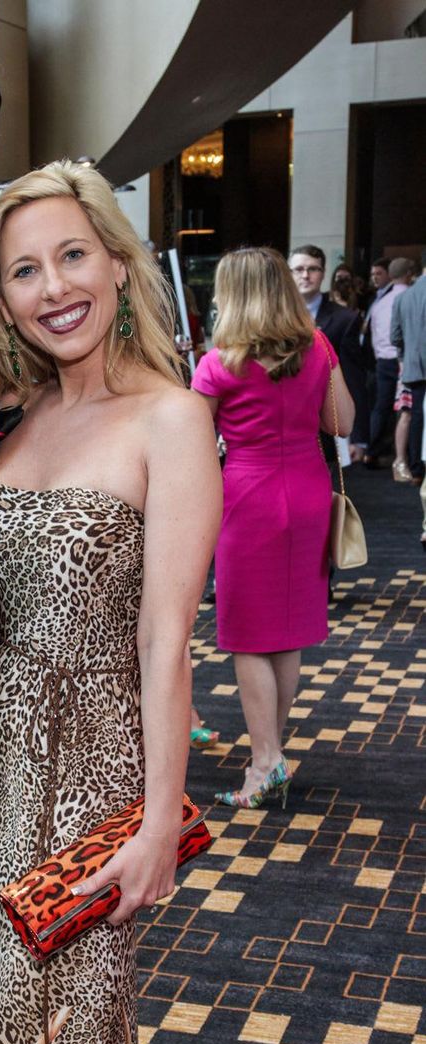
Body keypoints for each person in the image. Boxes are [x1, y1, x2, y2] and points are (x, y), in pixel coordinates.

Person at [0, 161, 221, 1044]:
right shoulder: (10, 421)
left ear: (118, 263)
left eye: (71, 255)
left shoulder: (171, 416)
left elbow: (167, 637)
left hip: (90, 782)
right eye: (22, 269)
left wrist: (158, 820)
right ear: (1, 299)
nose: (51, 285)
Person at [192, 249, 355, 808]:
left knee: (246, 635)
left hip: (247, 497)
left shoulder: (219, 364)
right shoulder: (318, 348)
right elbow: (342, 424)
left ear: (232, 295)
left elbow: (190, 445)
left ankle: (264, 763)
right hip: (307, 492)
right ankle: (272, 753)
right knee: (285, 631)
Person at [288, 244, 368, 455]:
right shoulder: (270, 317)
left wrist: (358, 437)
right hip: (280, 423)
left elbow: (354, 377)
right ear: (289, 274)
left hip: (326, 424)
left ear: (323, 273)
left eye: (313, 269)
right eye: (299, 269)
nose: (305, 275)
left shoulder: (345, 319)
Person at [364, 256, 413, 468]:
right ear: (410, 275)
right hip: (405, 358)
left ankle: (372, 452)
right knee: (407, 409)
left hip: (382, 359)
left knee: (381, 407)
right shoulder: (411, 297)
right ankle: (407, 457)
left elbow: (371, 333)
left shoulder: (379, 303)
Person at [391, 251, 426, 487]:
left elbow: (395, 337)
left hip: (414, 368)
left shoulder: (403, 298)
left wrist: (406, 357)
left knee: (416, 417)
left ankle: (416, 469)